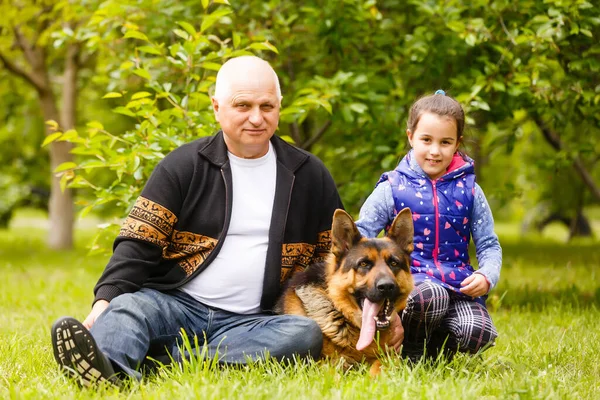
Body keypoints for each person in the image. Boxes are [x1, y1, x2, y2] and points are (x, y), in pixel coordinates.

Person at [50, 56, 347, 387]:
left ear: (279, 106)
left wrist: (370, 317)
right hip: (175, 305)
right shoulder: (183, 166)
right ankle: (109, 369)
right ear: (216, 107)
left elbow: (333, 261)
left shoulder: (309, 175)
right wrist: (104, 302)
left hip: (255, 320)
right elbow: (138, 243)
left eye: (267, 106)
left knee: (302, 334)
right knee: (127, 308)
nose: (256, 118)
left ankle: (165, 361)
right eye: (243, 105)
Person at [355, 90, 502, 362]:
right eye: (426, 140)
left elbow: (489, 244)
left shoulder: (471, 191)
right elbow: (361, 233)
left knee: (478, 333)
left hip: (459, 287)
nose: (435, 151)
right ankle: (412, 351)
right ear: (410, 136)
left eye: (445, 142)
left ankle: (438, 348)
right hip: (413, 288)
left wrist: (487, 276)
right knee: (430, 295)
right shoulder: (392, 188)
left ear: (457, 143)